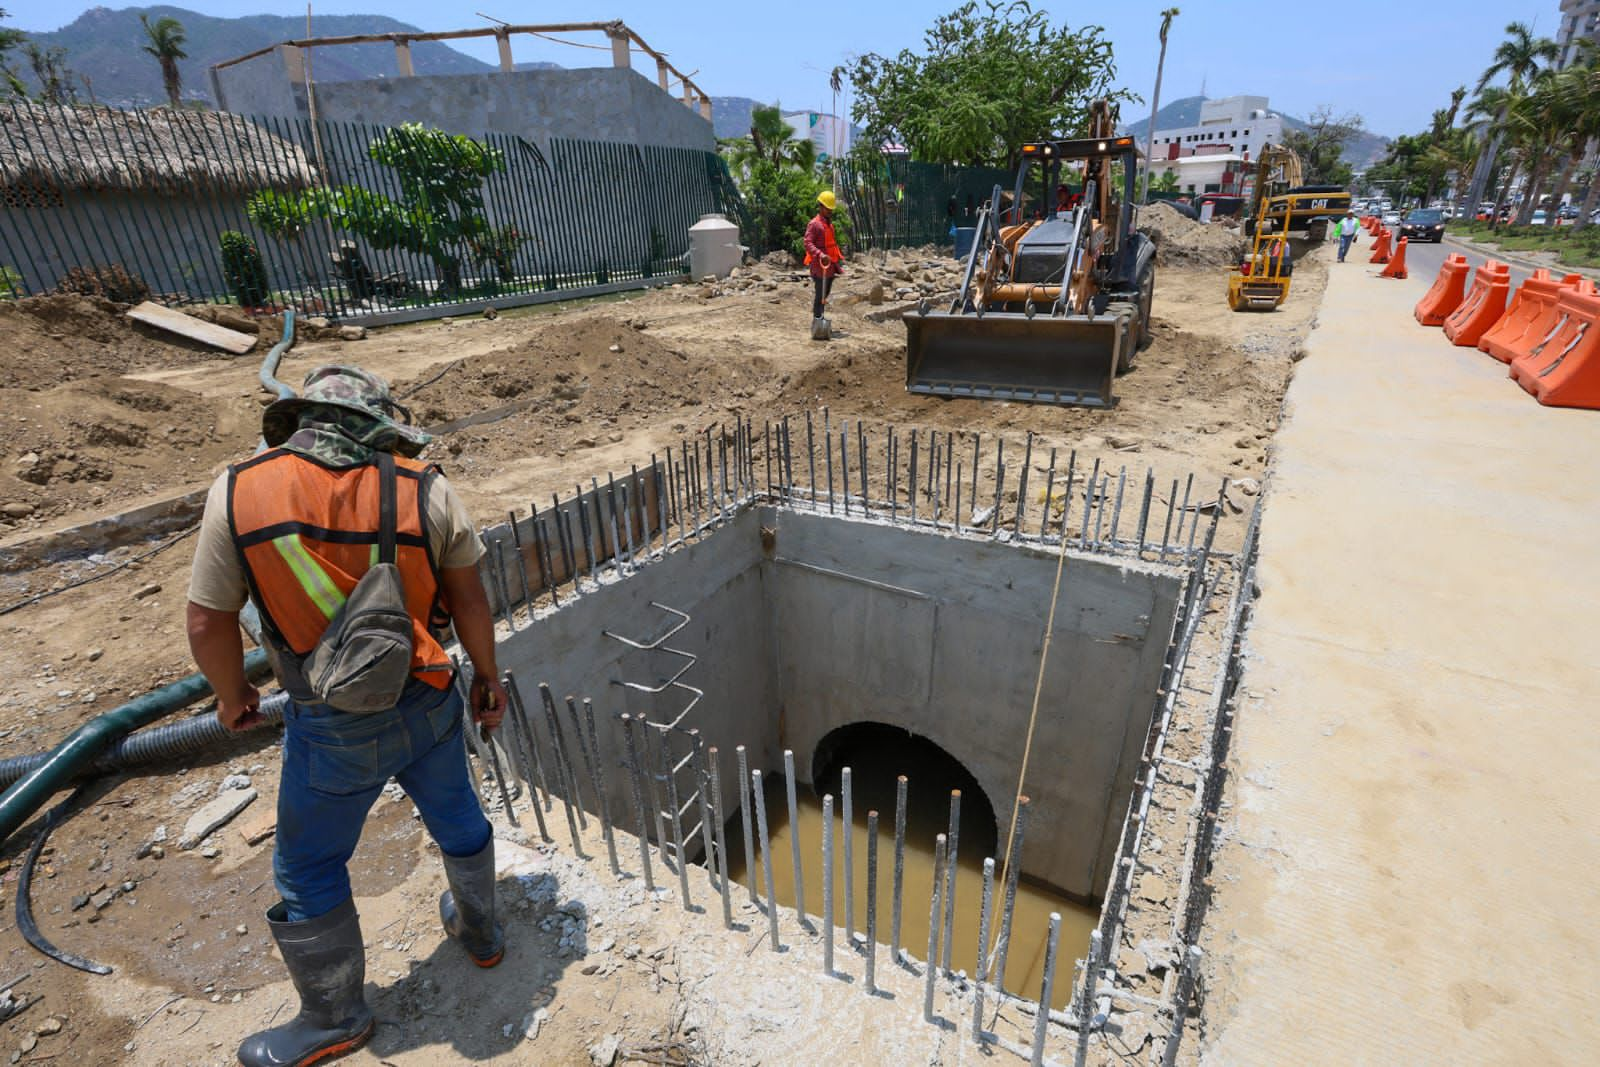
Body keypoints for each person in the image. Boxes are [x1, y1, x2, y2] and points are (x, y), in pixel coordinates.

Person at [186, 365, 507, 1067]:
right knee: (457, 813)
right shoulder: (425, 487)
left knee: (308, 864)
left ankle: (335, 1015)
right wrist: (488, 678)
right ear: (376, 423)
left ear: (300, 419)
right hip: (426, 695)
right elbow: (472, 600)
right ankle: (482, 932)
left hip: (329, 722)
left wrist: (232, 694)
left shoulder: (239, 492)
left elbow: (209, 620)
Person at [804, 190, 844, 332]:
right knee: (820, 294)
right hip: (820, 266)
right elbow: (808, 243)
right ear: (821, 207)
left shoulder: (829, 224)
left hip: (830, 266)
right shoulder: (814, 224)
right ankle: (817, 320)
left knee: (825, 293)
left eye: (831, 209)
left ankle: (820, 318)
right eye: (828, 209)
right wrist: (820, 255)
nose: (830, 211)